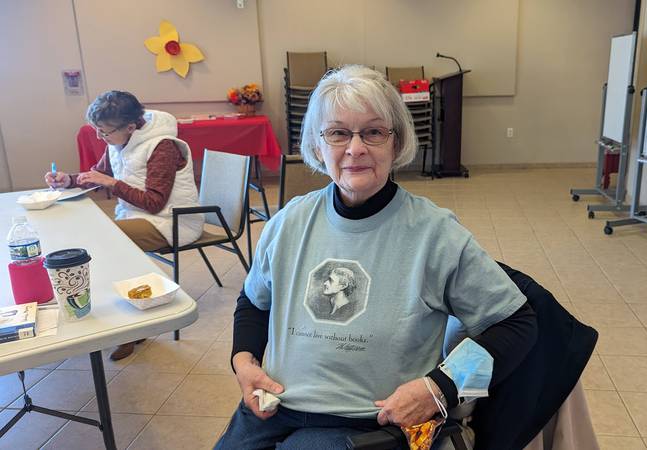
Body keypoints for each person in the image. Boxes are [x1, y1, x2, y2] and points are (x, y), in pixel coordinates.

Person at [216, 66, 538, 450]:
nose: (355, 149)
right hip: (275, 408)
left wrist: (440, 387)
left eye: (373, 132)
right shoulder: (289, 222)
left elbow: (517, 323)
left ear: (395, 143)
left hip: (371, 423)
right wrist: (244, 362)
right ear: (318, 146)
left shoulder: (435, 234)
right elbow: (253, 301)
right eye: (337, 133)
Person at [45, 90, 204, 360]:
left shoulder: (162, 146)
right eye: (96, 130)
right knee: (102, 238)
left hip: (171, 221)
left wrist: (113, 185)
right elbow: (100, 175)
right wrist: (68, 180)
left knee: (105, 243)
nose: (99, 137)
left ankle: (129, 328)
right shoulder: (119, 140)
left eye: (104, 132)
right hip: (137, 216)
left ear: (130, 126)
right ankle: (125, 319)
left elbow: (154, 202)